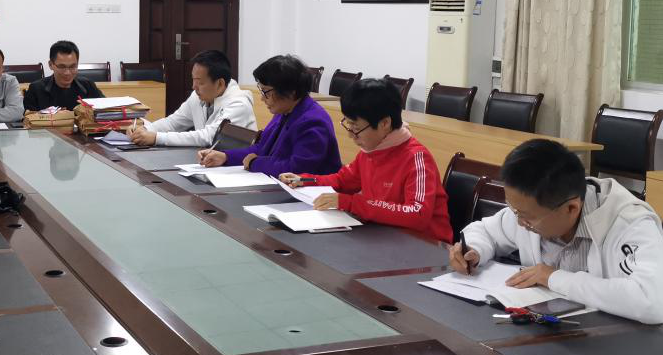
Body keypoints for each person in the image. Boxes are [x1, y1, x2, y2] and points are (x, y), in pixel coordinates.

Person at [451, 139, 663, 328]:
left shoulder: (630, 223)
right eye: (514, 210)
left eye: (526, 216)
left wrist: (553, 278)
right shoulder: (532, 210)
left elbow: (650, 300)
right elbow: (486, 230)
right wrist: (474, 249)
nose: (519, 222)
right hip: (568, 335)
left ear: (571, 208)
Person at [279, 78, 451, 242]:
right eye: (348, 124)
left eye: (356, 128)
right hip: (384, 237)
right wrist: (305, 180)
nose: (351, 135)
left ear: (384, 123)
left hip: (425, 246)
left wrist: (352, 203)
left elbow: (417, 214)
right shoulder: (371, 151)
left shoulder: (416, 158)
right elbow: (342, 181)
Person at [197, 55, 340, 176]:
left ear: (290, 92)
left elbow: (296, 169)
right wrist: (225, 156)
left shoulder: (313, 121)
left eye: (266, 92)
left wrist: (255, 163)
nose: (261, 98)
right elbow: (262, 148)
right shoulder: (284, 112)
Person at [127, 49, 255, 147]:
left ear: (220, 84)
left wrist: (156, 138)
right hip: (207, 161)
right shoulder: (197, 96)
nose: (194, 87)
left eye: (200, 82)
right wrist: (144, 130)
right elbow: (173, 122)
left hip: (235, 168)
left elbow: (210, 137)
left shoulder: (239, 104)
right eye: (193, 80)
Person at [23, 40, 104, 110]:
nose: (67, 72)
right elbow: (28, 119)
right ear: (51, 65)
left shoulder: (88, 86)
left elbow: (105, 110)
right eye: (62, 67)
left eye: (72, 66)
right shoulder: (36, 89)